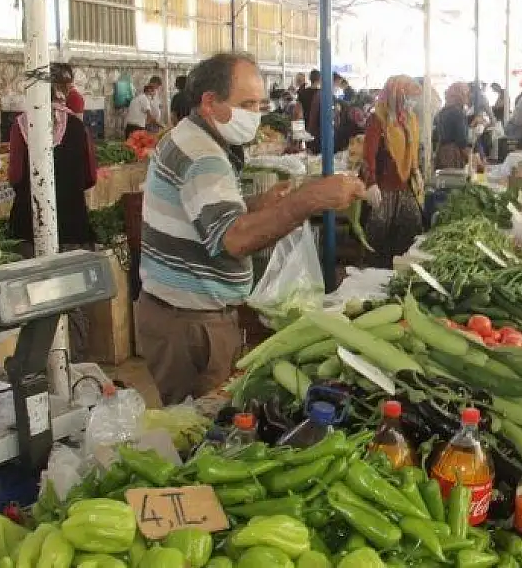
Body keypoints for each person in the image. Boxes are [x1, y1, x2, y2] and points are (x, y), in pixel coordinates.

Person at [137, 53, 364, 405]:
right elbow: (235, 239)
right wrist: (309, 199)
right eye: (246, 104)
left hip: (177, 314)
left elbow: (201, 217)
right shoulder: (203, 155)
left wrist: (258, 206)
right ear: (210, 102)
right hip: (191, 324)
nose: (255, 114)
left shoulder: (189, 136)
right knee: (200, 430)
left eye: (259, 104)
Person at [8, 86, 98, 254]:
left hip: (29, 223)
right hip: (73, 225)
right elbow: (91, 175)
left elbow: (15, 176)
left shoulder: (20, 125)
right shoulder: (77, 125)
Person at [361, 75, 425, 268]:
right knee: (379, 235)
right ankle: (376, 275)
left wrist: (416, 171)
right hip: (383, 189)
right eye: (409, 96)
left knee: (409, 231)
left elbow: (412, 151)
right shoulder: (378, 119)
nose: (412, 101)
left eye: (415, 97)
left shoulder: (409, 119)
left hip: (405, 187)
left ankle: (400, 275)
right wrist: (370, 182)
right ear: (396, 95)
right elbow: (368, 155)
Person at [433, 82, 473, 170]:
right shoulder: (458, 113)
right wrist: (471, 158)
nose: (468, 96)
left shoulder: (443, 111)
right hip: (453, 154)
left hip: (442, 152)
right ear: (460, 95)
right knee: (453, 180)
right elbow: (462, 141)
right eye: (466, 93)